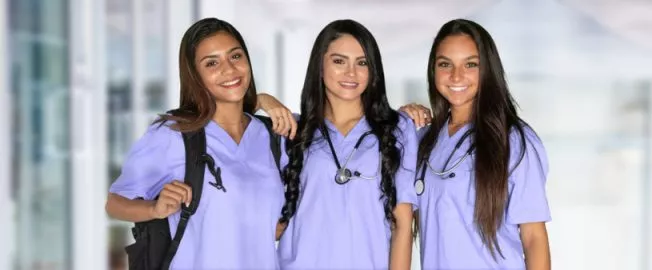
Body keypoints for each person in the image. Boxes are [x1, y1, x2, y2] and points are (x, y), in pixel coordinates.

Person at [105, 18, 287, 269]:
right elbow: (115, 204)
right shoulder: (173, 134)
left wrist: (263, 100)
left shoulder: (275, 137)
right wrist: (154, 210)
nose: (229, 69)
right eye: (212, 63)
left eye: (235, 56)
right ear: (196, 76)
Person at [272, 19, 418, 269]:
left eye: (362, 63)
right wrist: (264, 100)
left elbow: (403, 225)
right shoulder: (292, 130)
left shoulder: (398, 129)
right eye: (339, 61)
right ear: (319, 66)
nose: (351, 73)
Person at [411, 19, 552, 270]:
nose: (456, 76)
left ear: (488, 69)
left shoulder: (514, 141)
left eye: (471, 64)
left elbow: (533, 237)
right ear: (433, 70)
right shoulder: (424, 141)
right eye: (445, 64)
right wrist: (401, 121)